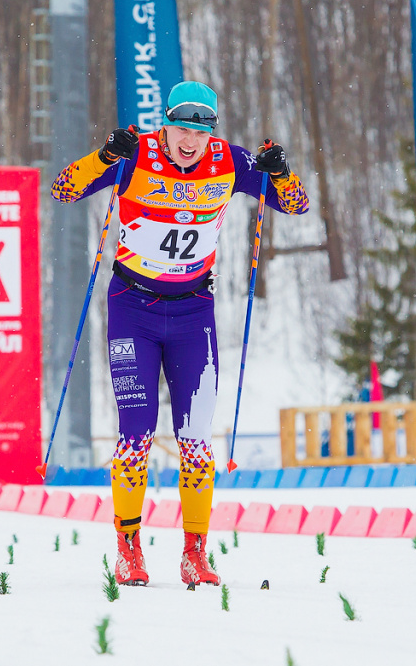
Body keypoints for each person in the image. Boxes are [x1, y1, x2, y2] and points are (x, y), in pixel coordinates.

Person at [52, 81, 309, 587]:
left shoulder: (230, 161)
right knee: (136, 436)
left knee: (195, 442)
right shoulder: (135, 154)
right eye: (182, 129)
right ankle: (128, 549)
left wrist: (280, 172)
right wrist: (103, 157)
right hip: (133, 311)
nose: (190, 141)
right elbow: (63, 188)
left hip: (194, 313)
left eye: (201, 130)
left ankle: (195, 552)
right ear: (164, 124)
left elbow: (295, 205)